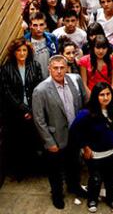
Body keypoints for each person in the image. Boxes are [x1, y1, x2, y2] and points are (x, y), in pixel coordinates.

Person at [32, 55, 87, 209]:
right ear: (49, 69)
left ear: (67, 68)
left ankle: (74, 186)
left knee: (74, 164)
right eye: (55, 68)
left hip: (74, 134)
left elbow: (83, 104)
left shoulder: (74, 80)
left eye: (62, 67)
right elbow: (39, 120)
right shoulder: (40, 90)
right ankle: (57, 194)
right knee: (55, 170)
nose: (59, 71)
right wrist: (49, 142)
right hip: (55, 138)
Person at [70, 82, 113, 213]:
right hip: (95, 155)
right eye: (102, 95)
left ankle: (112, 199)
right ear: (96, 96)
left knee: (111, 178)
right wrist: (84, 146)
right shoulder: (86, 113)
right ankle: (92, 199)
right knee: (95, 178)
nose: (106, 97)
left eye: (108, 94)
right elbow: (75, 130)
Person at [1, 38, 43, 180]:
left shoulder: (35, 66)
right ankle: (19, 170)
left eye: (24, 50)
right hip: (15, 112)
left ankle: (33, 168)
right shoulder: (7, 68)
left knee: (33, 140)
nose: (22, 53)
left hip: (33, 109)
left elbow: (39, 88)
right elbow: (7, 92)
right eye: (19, 50)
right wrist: (23, 109)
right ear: (13, 52)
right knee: (17, 142)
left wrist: (31, 110)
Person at [25, 11, 59, 79]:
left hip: (50, 78)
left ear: (45, 25)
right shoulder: (25, 41)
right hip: (33, 79)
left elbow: (56, 57)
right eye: (35, 25)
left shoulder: (52, 38)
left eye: (41, 25)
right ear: (30, 26)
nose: (38, 28)